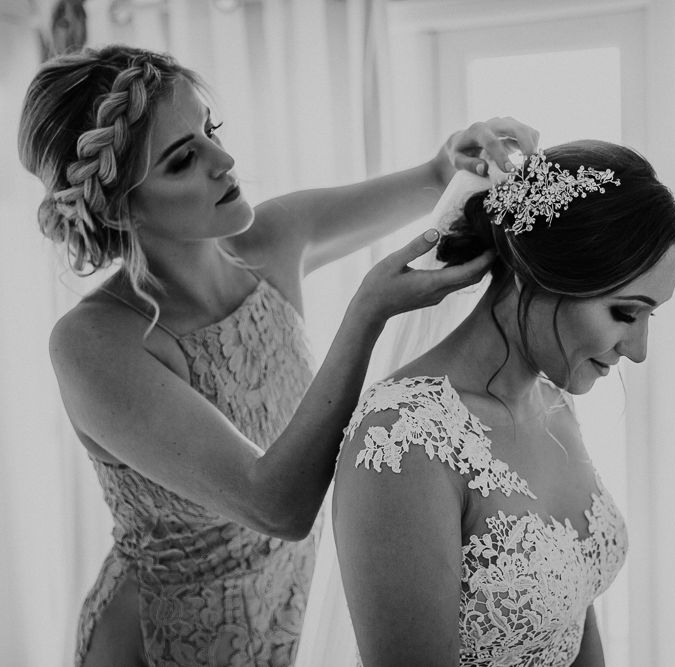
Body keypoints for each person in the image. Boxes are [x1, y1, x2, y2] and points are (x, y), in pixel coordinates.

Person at [17, 44, 540, 666]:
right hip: (169, 641)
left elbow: (435, 178)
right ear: (120, 206)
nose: (225, 159)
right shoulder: (96, 341)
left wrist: (460, 160)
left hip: (288, 618)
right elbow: (276, 504)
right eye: (185, 159)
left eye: (210, 131)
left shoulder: (272, 238)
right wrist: (367, 312)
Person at [333, 140, 675, 667]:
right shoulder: (406, 439)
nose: (637, 352)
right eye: (625, 313)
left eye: (648, 317)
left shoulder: (555, 404)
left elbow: (573, 609)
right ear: (536, 275)